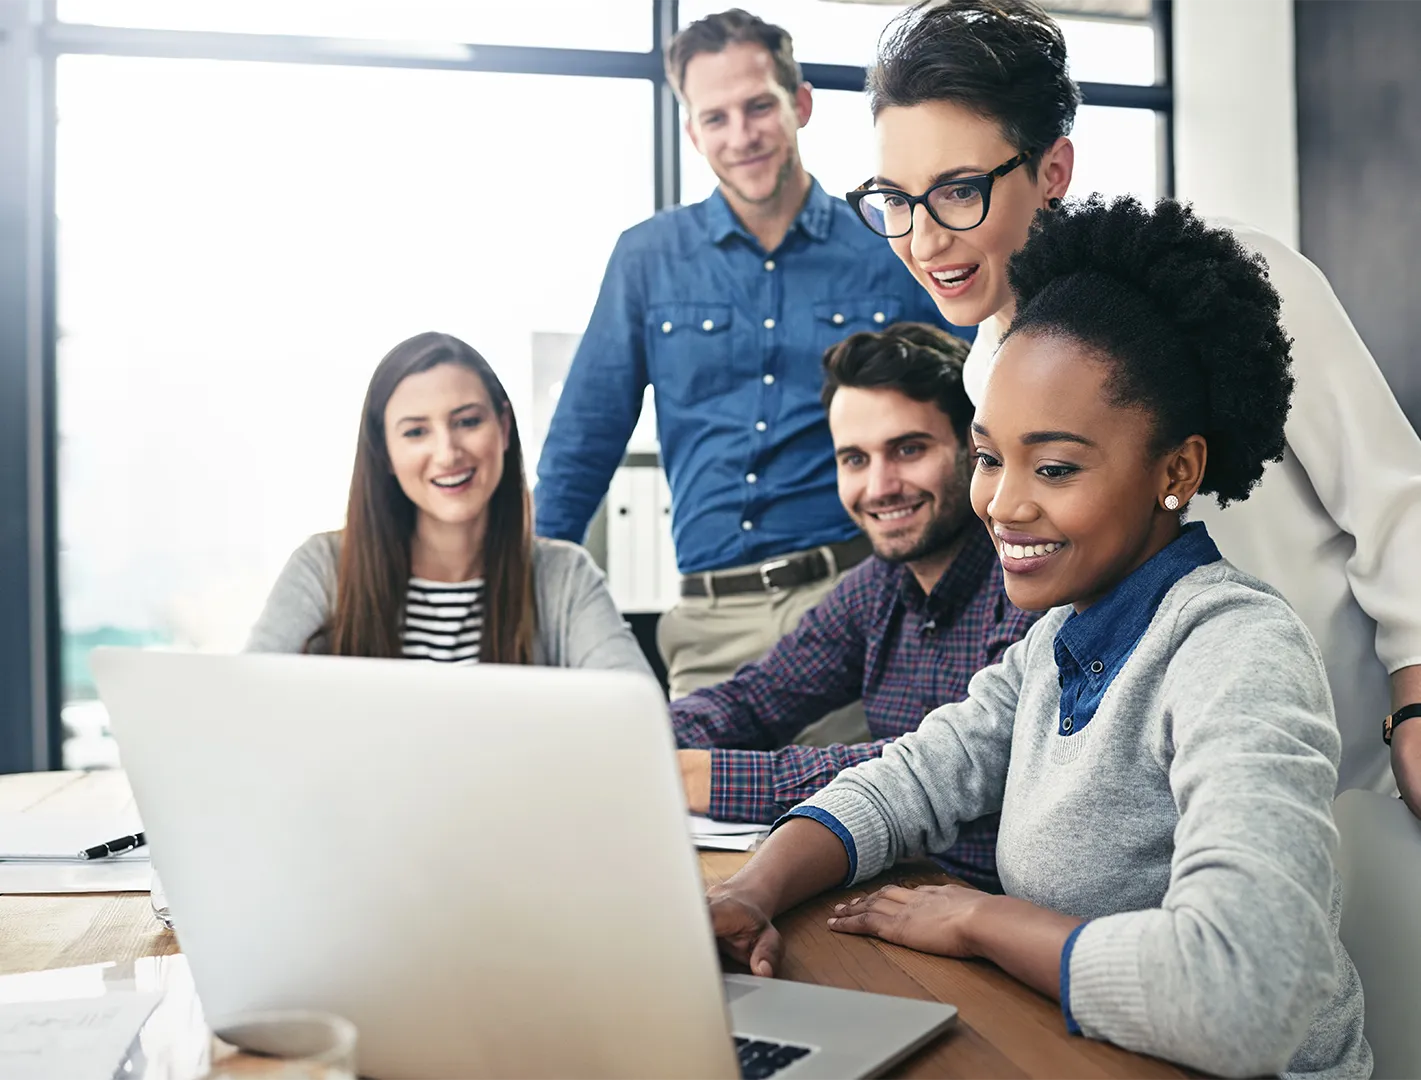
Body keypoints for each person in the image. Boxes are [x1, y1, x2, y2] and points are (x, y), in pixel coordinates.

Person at [708, 196, 1371, 1079]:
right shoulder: (1057, 641)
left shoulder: (1235, 649)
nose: (1002, 504)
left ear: (1175, 471)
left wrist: (981, 920)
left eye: (1053, 467)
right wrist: (751, 890)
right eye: (989, 457)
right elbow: (908, 777)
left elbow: (1243, 996)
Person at [846, 0, 1421, 812]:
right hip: (1174, 786)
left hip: (1352, 770)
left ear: (1052, 170)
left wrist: (1415, 703)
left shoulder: (1239, 280)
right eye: (895, 200)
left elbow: (1397, 506)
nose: (923, 239)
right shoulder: (987, 376)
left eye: (958, 191)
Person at [534, 9, 955, 720]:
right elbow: (581, 445)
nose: (741, 135)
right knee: (685, 822)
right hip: (706, 622)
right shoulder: (646, 259)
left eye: (758, 106)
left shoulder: (889, 241)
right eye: (715, 118)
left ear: (800, 104)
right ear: (692, 133)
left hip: (857, 606)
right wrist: (531, 610)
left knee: (841, 826)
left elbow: (971, 407)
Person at [675, 322, 1035, 890]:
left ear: (976, 448)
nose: (880, 487)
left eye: (909, 449)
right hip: (895, 893)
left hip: (993, 911)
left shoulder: (1026, 577)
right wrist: (643, 745)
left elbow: (938, 764)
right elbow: (755, 699)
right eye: (854, 460)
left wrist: (704, 776)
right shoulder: (877, 585)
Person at [247, 331, 650, 675]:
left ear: (504, 427)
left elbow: (639, 723)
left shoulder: (565, 577)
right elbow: (245, 708)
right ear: (384, 452)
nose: (447, 453)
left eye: (468, 422)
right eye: (416, 432)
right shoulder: (322, 567)